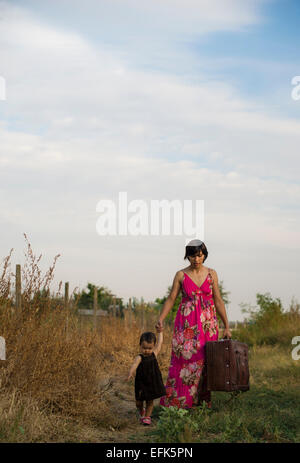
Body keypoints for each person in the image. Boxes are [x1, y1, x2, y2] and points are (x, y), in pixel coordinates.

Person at [156, 239, 231, 410]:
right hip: (186, 325)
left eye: (199, 255)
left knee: (205, 362)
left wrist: (226, 326)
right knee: (182, 360)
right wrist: (161, 318)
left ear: (204, 255)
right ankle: (177, 404)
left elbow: (218, 300)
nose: (196, 259)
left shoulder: (212, 274)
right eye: (192, 256)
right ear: (187, 257)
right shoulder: (181, 275)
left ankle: (201, 403)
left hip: (208, 325)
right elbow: (171, 298)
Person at [126, 329, 166, 425]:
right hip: (141, 383)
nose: (147, 351)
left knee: (150, 401)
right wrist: (130, 372)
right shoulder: (140, 357)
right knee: (138, 402)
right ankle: (141, 411)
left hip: (152, 382)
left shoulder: (154, 354)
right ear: (140, 345)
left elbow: (160, 343)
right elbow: (135, 364)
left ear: (153, 347)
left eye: (149, 348)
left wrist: (160, 332)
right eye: (144, 348)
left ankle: (147, 417)